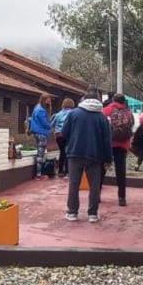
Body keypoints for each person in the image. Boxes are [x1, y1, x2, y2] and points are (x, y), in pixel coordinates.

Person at [62, 88, 112, 222]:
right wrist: (108, 158)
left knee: (74, 184)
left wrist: (70, 143)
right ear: (97, 101)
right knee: (94, 185)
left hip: (75, 153)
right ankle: (93, 214)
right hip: (95, 156)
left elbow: (64, 132)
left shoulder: (73, 114)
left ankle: (72, 212)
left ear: (84, 99)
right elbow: (107, 140)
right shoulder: (102, 118)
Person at [103, 93, 134, 206]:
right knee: (121, 171)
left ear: (113, 100)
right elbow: (131, 126)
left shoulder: (106, 110)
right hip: (123, 144)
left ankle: (96, 194)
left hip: (108, 144)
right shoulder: (128, 111)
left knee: (102, 169)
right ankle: (122, 197)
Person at [29, 94, 53, 179]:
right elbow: (44, 122)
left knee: (40, 151)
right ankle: (39, 174)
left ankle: (39, 173)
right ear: (44, 100)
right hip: (41, 132)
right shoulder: (41, 110)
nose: (49, 102)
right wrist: (51, 126)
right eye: (48, 100)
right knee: (40, 152)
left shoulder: (38, 108)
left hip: (38, 132)